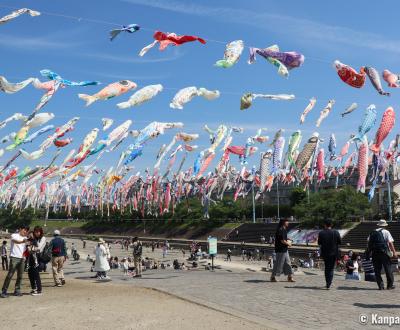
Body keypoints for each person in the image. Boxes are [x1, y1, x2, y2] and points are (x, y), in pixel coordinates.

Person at [367, 219, 397, 290]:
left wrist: (370, 251)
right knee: (388, 269)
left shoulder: (372, 232)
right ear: (385, 225)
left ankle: (380, 286)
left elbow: (368, 242)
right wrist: (394, 252)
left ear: (378, 225)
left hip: (375, 253)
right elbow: (390, 243)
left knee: (377, 270)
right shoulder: (386, 232)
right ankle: (389, 285)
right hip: (384, 253)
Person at [1, 225, 30, 298]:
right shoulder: (14, 235)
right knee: (10, 275)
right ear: (20, 229)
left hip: (22, 258)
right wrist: (23, 241)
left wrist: (29, 241)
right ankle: (4, 291)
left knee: (20, 276)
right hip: (14, 257)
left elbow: (29, 245)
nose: (25, 231)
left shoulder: (26, 238)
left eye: (26, 230)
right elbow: (16, 241)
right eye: (24, 230)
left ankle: (17, 290)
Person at [317, 219, 341, 289]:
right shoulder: (336, 232)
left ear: (325, 225)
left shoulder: (321, 233)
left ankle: (327, 282)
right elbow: (339, 242)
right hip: (333, 253)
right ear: (331, 225)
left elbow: (319, 243)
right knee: (331, 268)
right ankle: (329, 283)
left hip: (325, 253)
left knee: (327, 268)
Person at [27, 226, 46, 296]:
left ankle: (39, 290)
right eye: (35, 231)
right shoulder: (32, 239)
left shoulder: (43, 238)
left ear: (41, 232)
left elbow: (39, 248)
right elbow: (27, 246)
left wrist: (31, 247)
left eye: (38, 232)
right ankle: (33, 288)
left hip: (38, 258)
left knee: (36, 274)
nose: (37, 233)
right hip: (31, 258)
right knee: (30, 273)